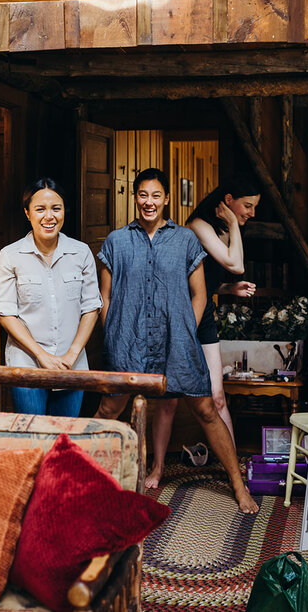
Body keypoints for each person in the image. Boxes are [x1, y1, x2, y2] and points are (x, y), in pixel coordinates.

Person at [94, 168, 259, 514]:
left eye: (156, 195)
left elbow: (199, 294)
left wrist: (185, 331)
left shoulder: (185, 239)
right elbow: (105, 297)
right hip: (129, 343)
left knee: (206, 409)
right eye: (142, 195)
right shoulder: (116, 241)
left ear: (166, 199)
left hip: (177, 344)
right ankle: (90, 476)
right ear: (135, 197)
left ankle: (238, 485)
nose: (148, 202)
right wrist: (114, 336)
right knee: (110, 408)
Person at [145, 178, 261, 487]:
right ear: (227, 200)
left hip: (204, 313)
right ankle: (157, 468)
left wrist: (227, 288)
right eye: (247, 206)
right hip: (176, 314)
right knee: (168, 400)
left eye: (254, 208)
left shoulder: (224, 228)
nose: (250, 213)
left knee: (218, 397)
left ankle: (232, 467)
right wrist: (234, 226)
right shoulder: (198, 225)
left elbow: (208, 279)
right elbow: (235, 263)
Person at [0, 178, 101, 416]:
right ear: (27, 213)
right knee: (33, 437)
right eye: (40, 209)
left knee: (64, 436)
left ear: (64, 211)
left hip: (71, 364)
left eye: (56, 208)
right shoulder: (10, 255)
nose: (49, 216)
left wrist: (72, 354)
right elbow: (6, 312)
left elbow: (91, 307)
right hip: (27, 364)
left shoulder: (81, 252)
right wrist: (41, 355)